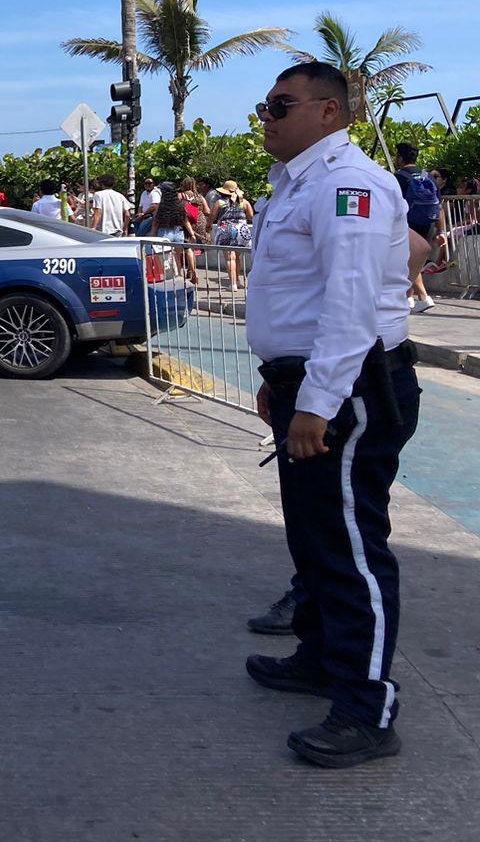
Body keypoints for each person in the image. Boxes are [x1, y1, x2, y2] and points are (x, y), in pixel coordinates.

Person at [243, 60, 420, 768]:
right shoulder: (299, 184)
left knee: (350, 549)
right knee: (315, 540)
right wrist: (280, 384)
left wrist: (315, 402)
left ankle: (366, 709)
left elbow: (350, 306)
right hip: (310, 384)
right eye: (265, 105)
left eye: (279, 105)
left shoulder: (347, 184)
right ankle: (320, 657)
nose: (267, 117)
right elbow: (299, 299)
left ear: (328, 112)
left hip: (350, 389)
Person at [392, 141, 440, 313]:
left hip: (408, 222)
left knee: (409, 260)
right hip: (428, 222)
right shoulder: (427, 176)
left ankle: (424, 297)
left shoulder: (399, 177)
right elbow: (438, 203)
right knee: (412, 259)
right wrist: (439, 231)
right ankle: (409, 298)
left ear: (400, 158)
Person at [213, 180, 255, 290]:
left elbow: (212, 217)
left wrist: (208, 225)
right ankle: (237, 281)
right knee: (237, 257)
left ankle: (232, 284)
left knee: (229, 258)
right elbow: (252, 216)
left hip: (225, 230)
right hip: (241, 231)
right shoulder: (244, 202)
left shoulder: (220, 202)